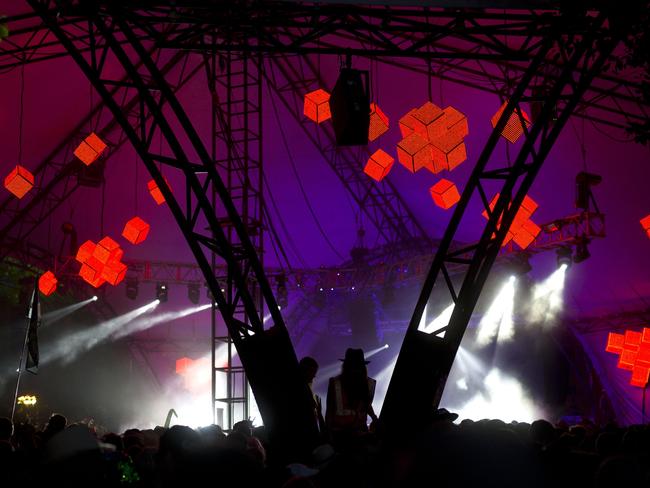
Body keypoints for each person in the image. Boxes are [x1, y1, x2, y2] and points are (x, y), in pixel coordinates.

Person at [325, 348, 378, 447]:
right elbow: (329, 410)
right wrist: (329, 435)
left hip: (361, 433)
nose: (355, 369)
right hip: (340, 435)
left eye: (358, 366)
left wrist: (374, 418)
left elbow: (367, 405)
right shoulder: (335, 383)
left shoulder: (369, 384)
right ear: (347, 366)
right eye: (352, 366)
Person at [299, 357, 327, 439]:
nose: (314, 376)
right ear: (306, 371)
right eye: (313, 372)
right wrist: (318, 412)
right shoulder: (303, 388)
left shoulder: (306, 387)